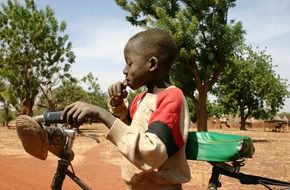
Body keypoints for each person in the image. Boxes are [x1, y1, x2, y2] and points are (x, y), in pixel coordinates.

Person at [62, 28, 191, 190]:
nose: (124, 70)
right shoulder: (140, 98)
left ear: (151, 64)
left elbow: (152, 153)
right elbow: (130, 130)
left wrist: (101, 114)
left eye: (129, 63)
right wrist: (117, 104)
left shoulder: (172, 97)